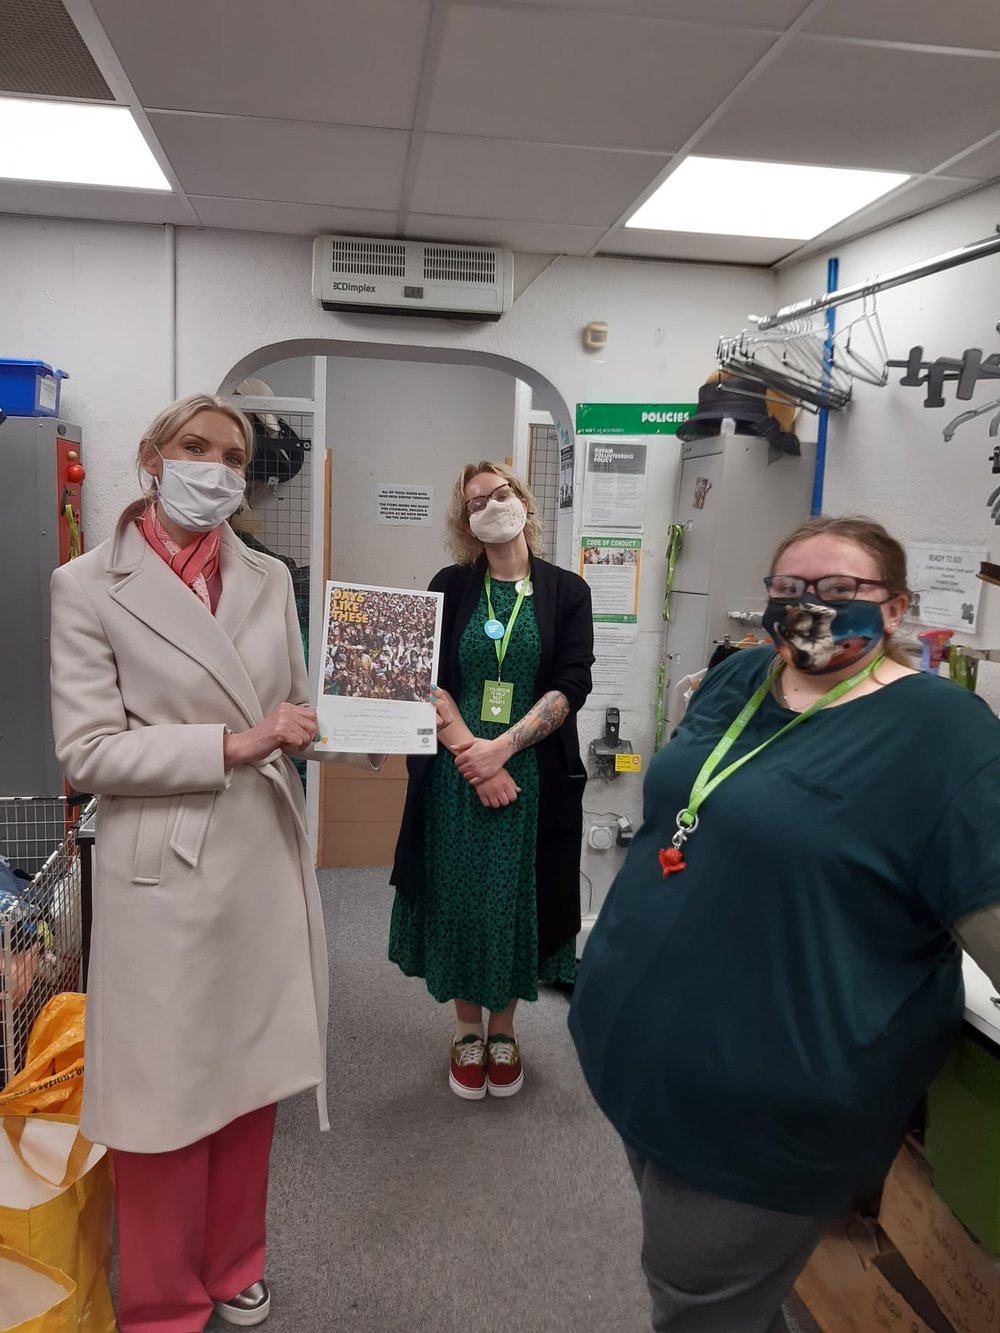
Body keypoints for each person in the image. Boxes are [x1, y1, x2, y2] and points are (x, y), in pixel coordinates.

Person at [569, 515, 1000, 1332]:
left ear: (897, 608)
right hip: (645, 1065)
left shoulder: (944, 732)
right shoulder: (744, 681)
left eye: (841, 592)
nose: (810, 607)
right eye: (790, 590)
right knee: (725, 1294)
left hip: (761, 1110)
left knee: (696, 1301)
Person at [48, 394, 382, 1333]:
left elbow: (286, 703)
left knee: (250, 1074)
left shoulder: (269, 577)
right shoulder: (85, 585)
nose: (217, 468)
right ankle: (160, 1300)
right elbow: (90, 754)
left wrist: (362, 714)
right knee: (161, 1097)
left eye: (233, 456)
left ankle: (237, 1259)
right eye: (196, 447)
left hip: (262, 852)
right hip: (163, 864)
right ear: (153, 456)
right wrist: (236, 744)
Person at [390, 461, 594, 1099]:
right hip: (456, 775)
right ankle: (466, 1029)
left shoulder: (567, 590)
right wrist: (471, 758)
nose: (491, 505)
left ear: (524, 503)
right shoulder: (450, 586)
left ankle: (504, 1030)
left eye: (501, 493)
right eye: (476, 501)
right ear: (465, 521)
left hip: (532, 775)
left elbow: (572, 683)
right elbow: (419, 674)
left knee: (513, 900)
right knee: (459, 893)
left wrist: (501, 749)